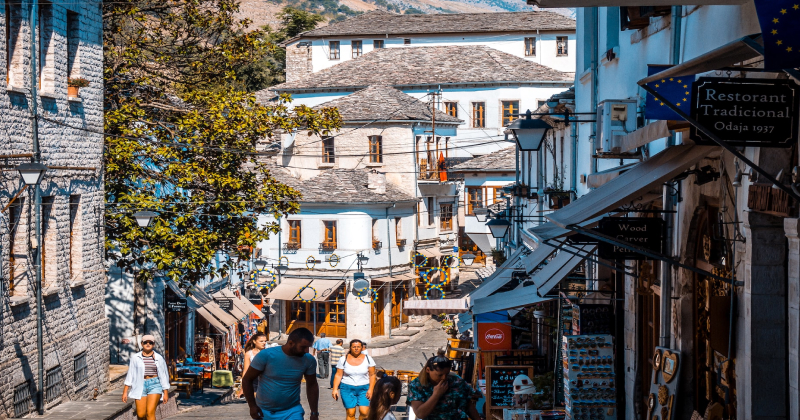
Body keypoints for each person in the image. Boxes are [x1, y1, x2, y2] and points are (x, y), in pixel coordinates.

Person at [242, 328, 319, 420]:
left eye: (308, 347)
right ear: (291, 343)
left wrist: (314, 412)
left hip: (292, 411)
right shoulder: (266, 355)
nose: (306, 351)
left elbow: (312, 385)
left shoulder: (308, 360)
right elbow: (247, 379)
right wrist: (252, 406)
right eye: (303, 347)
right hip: (264, 411)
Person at [407, 350, 481, 420]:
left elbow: (468, 404)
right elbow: (420, 414)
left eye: (447, 374)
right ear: (428, 370)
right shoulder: (416, 385)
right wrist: (436, 395)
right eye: (440, 375)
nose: (444, 378)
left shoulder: (456, 380)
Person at [122, 335, 171, 420]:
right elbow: (130, 374)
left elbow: (163, 375)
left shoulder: (159, 358)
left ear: (153, 344)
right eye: (145, 342)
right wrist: (125, 391)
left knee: (150, 412)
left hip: (155, 384)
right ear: (142, 344)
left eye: (150, 343)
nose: (148, 344)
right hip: (140, 385)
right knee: (141, 415)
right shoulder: (135, 358)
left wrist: (165, 392)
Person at [332, 339, 376, 420]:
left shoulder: (368, 359)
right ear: (350, 348)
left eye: (358, 347)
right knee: (350, 413)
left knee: (365, 413)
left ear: (362, 348)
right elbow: (338, 375)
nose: (356, 349)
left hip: (364, 388)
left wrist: (371, 389)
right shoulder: (343, 359)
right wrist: (335, 389)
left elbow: (372, 375)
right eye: (354, 347)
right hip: (347, 388)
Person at [238, 332, 268, 398]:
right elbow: (245, 370)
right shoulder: (249, 354)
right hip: (254, 380)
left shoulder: (268, 352)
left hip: (266, 381)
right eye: (261, 341)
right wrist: (243, 388)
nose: (264, 343)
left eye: (265, 341)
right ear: (254, 341)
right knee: (256, 400)